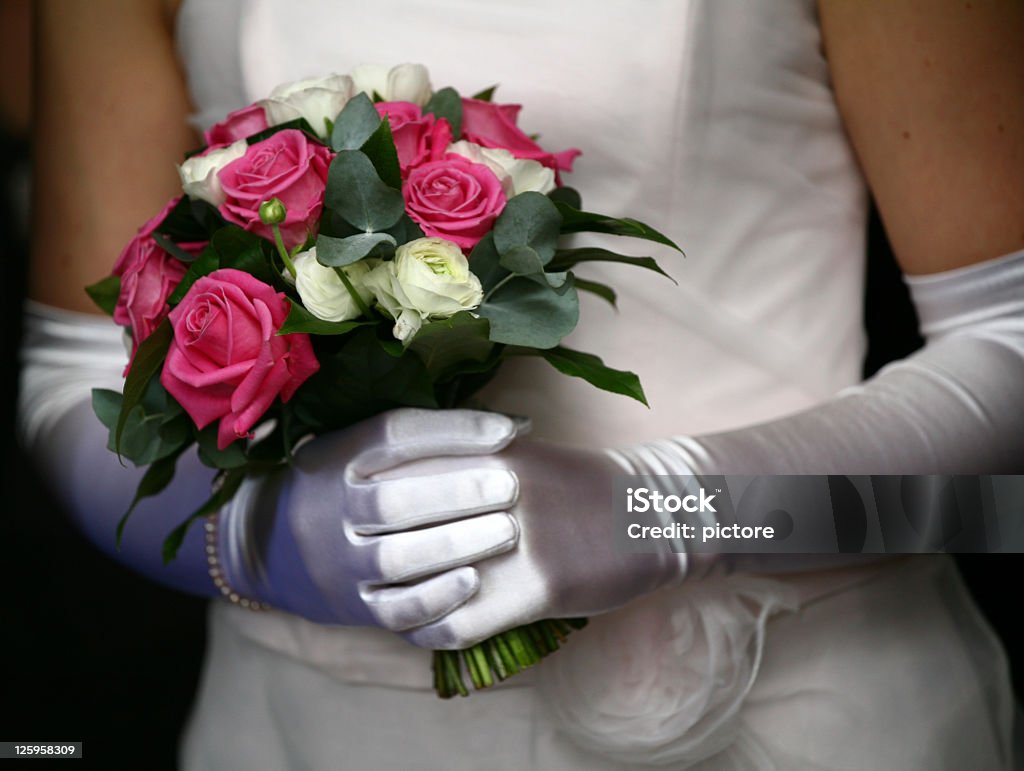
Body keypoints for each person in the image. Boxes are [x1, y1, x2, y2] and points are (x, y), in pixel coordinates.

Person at [21, 0, 1023, 768]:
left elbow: (1006, 342)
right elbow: (72, 371)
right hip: (303, 722)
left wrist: (670, 513)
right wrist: (258, 537)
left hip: (786, 704)